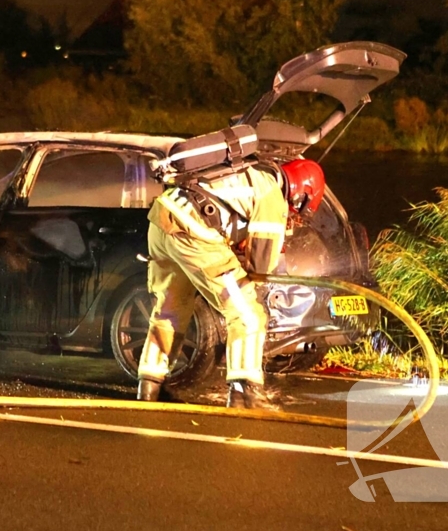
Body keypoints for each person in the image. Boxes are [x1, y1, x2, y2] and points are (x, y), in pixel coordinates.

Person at [136, 158, 325, 409]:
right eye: (298, 209)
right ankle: (245, 391)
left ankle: (149, 385)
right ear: (302, 194)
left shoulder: (248, 174)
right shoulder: (272, 195)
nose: (292, 214)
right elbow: (261, 263)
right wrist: (248, 283)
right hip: (193, 234)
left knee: (171, 307)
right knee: (247, 313)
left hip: (162, 223)